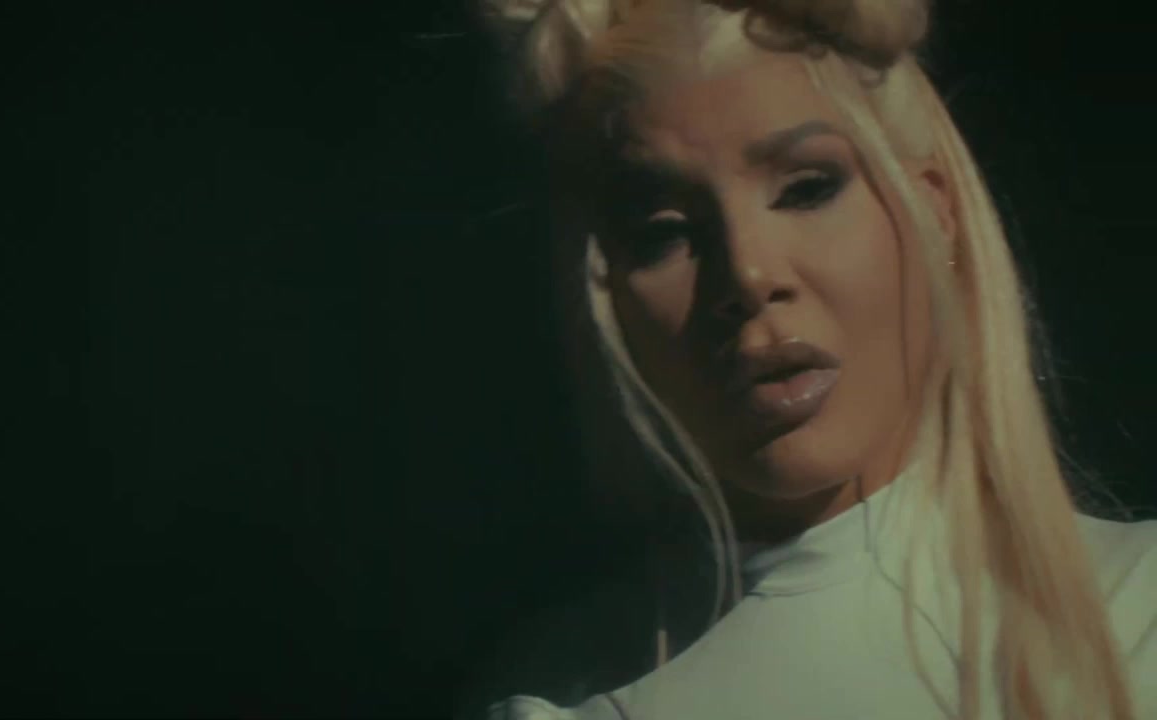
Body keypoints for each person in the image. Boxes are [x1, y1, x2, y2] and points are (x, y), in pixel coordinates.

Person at [469, 1, 1157, 718]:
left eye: (807, 189)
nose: (748, 274)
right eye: (664, 232)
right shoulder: (559, 692)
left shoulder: (1139, 615)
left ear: (934, 209)